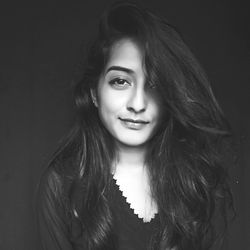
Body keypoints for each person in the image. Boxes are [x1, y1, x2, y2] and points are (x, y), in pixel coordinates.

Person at [37, 2, 233, 250]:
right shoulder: (62, 184)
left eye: (155, 85)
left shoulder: (196, 182)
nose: (137, 104)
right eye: (120, 81)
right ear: (94, 93)